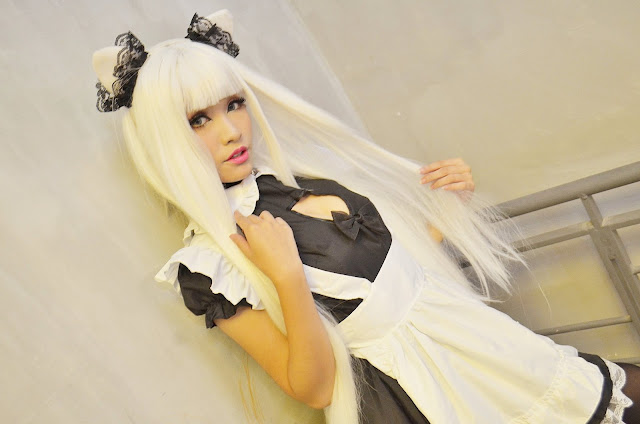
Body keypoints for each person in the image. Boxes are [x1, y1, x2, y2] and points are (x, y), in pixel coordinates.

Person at [93, 10, 638, 424]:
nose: (231, 130)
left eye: (234, 104)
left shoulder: (289, 179)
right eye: (199, 120)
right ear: (166, 139)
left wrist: (448, 209)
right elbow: (313, 389)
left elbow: (387, 274)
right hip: (421, 391)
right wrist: (286, 277)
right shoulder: (210, 261)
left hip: (476, 344)